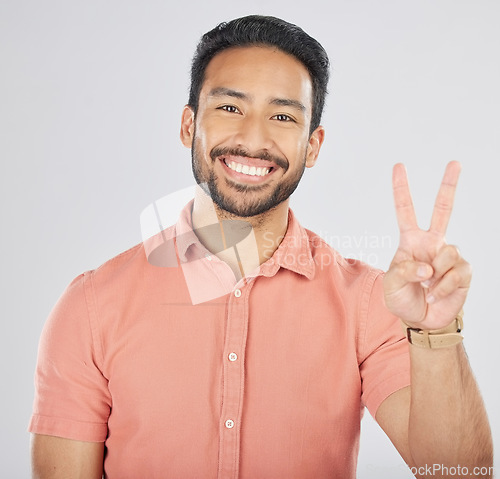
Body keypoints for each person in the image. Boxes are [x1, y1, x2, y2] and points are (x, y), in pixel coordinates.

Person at [29, 15, 493, 479]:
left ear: (313, 145)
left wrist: (436, 334)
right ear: (189, 124)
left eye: (283, 116)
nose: (253, 139)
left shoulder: (369, 305)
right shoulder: (90, 307)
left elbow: (456, 473)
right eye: (230, 108)